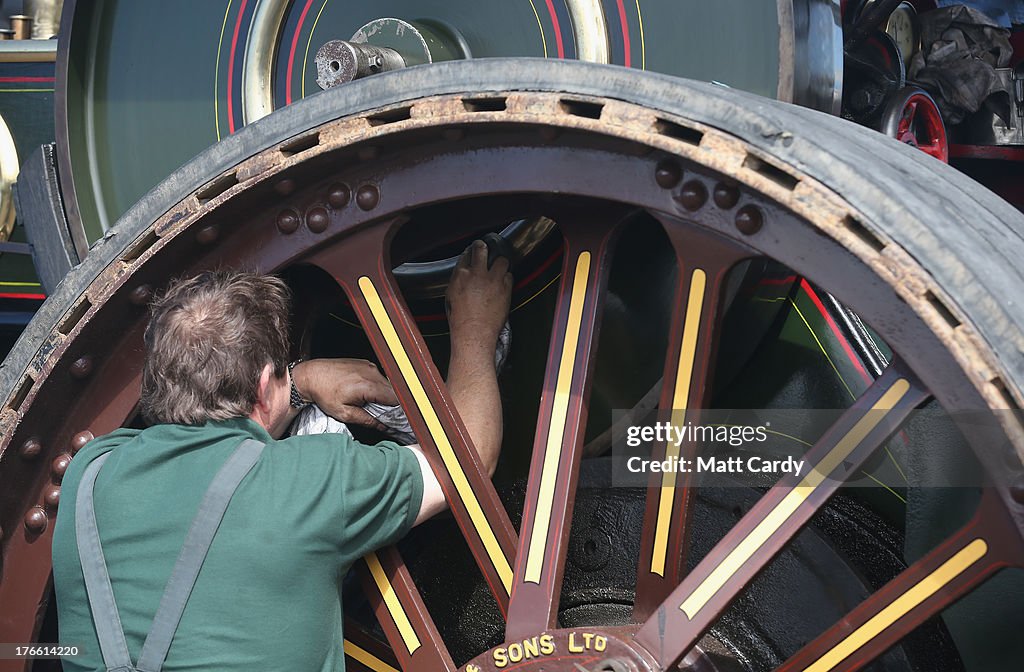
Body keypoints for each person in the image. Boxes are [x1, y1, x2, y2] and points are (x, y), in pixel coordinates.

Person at [51, 240, 512, 671]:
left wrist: (297, 381)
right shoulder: (311, 481)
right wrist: (475, 327)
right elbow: (467, 462)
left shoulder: (88, 477)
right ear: (263, 384)